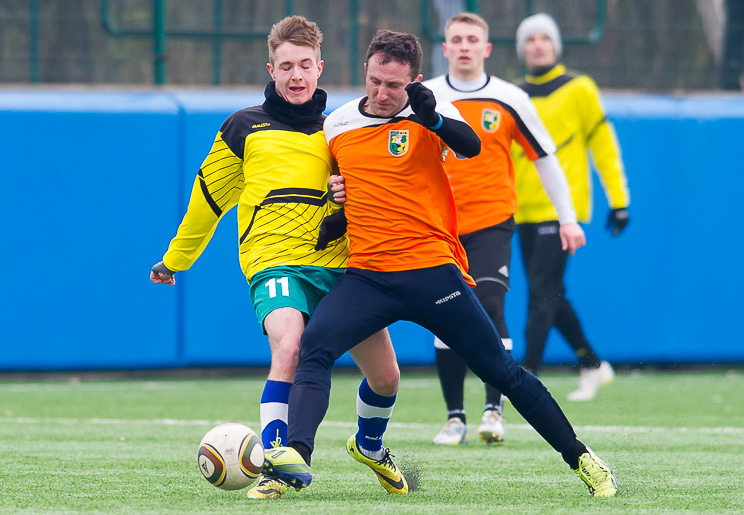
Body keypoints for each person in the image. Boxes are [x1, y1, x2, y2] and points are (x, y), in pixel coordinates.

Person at [260, 29, 618, 498]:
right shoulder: (340, 123)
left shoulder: (431, 112)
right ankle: (295, 461)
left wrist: (434, 119)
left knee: (501, 371)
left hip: (432, 273)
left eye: (394, 85)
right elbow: (353, 188)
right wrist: (337, 210)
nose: (383, 93)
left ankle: (583, 458)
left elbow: (470, 146)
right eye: (375, 81)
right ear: (365, 71)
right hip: (368, 276)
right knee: (314, 348)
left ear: (415, 82)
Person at [149, 16, 400, 500]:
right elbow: (207, 199)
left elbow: (373, 196)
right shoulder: (243, 127)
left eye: (305, 65)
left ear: (320, 68)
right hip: (273, 261)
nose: (296, 75)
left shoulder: (341, 129)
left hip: (340, 266)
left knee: (387, 377)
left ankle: (370, 445)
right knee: (289, 346)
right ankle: (276, 464)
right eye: (286, 66)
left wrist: (347, 199)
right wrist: (174, 260)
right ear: (271, 70)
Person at [424, 12, 584, 447]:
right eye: (456, 39)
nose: (464, 46)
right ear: (445, 48)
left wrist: (567, 217)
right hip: (439, 226)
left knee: (490, 304)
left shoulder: (509, 98)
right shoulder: (427, 97)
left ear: (487, 48)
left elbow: (545, 157)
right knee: (445, 315)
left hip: (492, 223)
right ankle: (454, 417)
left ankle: (494, 410)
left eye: (472, 39)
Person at [513, 13, 631, 401]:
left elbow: (604, 145)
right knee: (551, 294)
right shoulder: (512, 95)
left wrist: (619, 200)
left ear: (556, 45)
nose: (538, 45)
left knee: (541, 294)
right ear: (521, 49)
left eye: (545, 38)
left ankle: (525, 378)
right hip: (522, 210)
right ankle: (593, 364)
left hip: (562, 213)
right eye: (531, 39)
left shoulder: (580, 88)